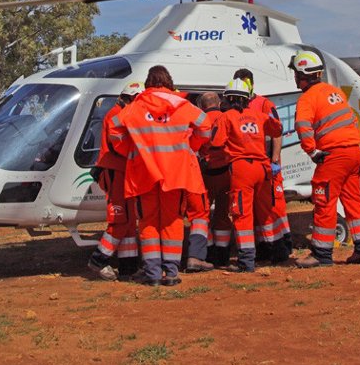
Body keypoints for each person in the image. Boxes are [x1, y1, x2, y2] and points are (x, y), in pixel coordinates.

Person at [108, 66, 211, 286]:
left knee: (148, 222)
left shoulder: (137, 105)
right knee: (173, 221)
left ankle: (152, 272)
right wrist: (190, 145)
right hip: (176, 174)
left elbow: (114, 128)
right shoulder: (181, 105)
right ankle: (171, 273)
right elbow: (206, 126)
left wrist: (133, 150)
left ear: (148, 83)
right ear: (169, 82)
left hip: (144, 173)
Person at [289, 49, 360, 268]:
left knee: (324, 200)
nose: (295, 78)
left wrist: (313, 152)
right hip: (354, 153)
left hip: (333, 156)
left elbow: (302, 126)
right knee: (353, 202)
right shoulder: (333, 92)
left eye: (296, 74)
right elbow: (351, 121)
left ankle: (321, 255)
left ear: (302, 74)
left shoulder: (308, 98)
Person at [210, 79, 283, 273]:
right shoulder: (258, 116)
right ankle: (278, 252)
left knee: (242, 214)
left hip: (242, 169)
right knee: (266, 212)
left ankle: (246, 261)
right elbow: (277, 128)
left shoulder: (226, 118)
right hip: (263, 167)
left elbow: (216, 142)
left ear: (229, 98)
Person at [233, 68, 292, 263]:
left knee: (275, 206)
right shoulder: (236, 106)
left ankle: (283, 244)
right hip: (255, 166)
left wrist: (275, 159)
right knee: (256, 210)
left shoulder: (264, 104)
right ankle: (264, 247)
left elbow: (277, 132)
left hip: (267, 162)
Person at [88, 82, 144, 282]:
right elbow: (119, 145)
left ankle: (129, 268)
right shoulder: (115, 114)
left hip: (124, 172)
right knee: (120, 220)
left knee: (129, 222)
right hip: (115, 171)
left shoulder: (122, 113)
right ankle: (99, 259)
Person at [184, 92, 228, 271]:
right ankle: (223, 255)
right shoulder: (227, 117)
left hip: (206, 174)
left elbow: (194, 144)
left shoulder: (199, 119)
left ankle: (207, 252)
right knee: (223, 215)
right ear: (218, 102)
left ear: (202, 106)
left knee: (203, 214)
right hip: (226, 174)